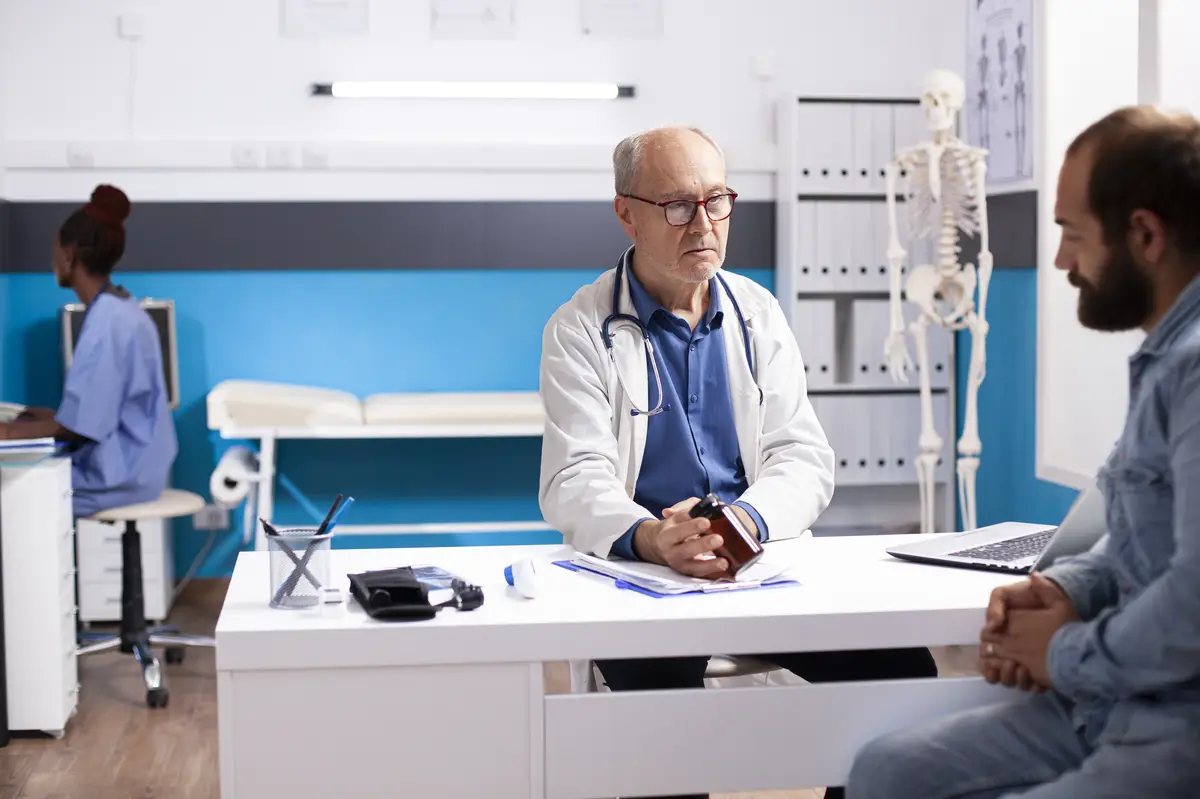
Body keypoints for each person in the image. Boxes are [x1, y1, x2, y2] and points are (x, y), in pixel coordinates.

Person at [538, 126, 937, 799]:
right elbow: (573, 478)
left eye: (717, 200)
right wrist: (654, 537)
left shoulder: (758, 313)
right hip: (645, 578)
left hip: (760, 561)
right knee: (666, 730)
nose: (703, 224)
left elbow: (803, 456)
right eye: (676, 206)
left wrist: (746, 520)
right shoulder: (579, 328)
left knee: (900, 677)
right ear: (625, 212)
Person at [845, 105, 1200, 798]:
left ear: (1146, 235)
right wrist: (1062, 587)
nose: (1063, 261)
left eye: (1072, 235)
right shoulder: (1162, 357)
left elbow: (1193, 600)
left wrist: (1062, 652)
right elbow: (1139, 538)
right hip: (1108, 702)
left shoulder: (1194, 371)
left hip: (1174, 724)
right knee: (884, 770)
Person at [0, 184, 177, 519]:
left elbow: (81, 428)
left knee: (18, 492)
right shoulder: (124, 308)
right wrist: (51, 417)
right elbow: (99, 413)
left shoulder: (106, 322)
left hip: (119, 476)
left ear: (68, 255)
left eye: (54, 252)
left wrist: (9, 432)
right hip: (143, 465)